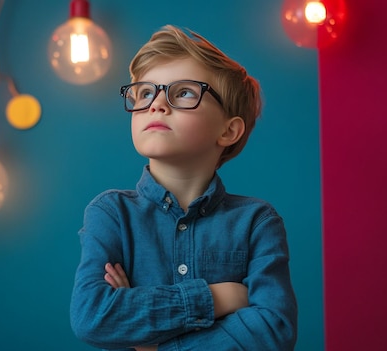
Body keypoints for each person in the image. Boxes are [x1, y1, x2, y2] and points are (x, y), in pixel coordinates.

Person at [70, 24, 297, 351]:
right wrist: (218, 297)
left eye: (185, 92)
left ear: (228, 131)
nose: (156, 104)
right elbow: (93, 317)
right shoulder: (111, 213)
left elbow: (274, 332)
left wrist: (153, 341)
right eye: (146, 92)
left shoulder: (257, 222)